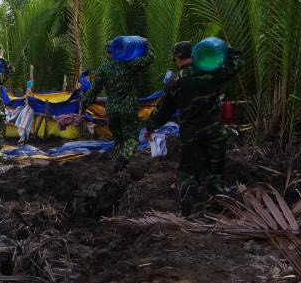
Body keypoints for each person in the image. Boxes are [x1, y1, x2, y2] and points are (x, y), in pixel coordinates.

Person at [145, 41, 243, 215]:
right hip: (215, 131)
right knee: (215, 168)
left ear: (177, 58)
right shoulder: (211, 71)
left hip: (191, 134)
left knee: (187, 169)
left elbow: (163, 112)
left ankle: (189, 187)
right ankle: (217, 195)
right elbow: (237, 63)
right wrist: (226, 47)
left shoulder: (175, 81)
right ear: (195, 53)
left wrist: (150, 126)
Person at [83, 40, 156, 171]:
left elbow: (92, 91)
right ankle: (123, 158)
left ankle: (119, 169)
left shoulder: (103, 69)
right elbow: (150, 58)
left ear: (106, 53)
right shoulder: (129, 63)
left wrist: (83, 107)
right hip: (128, 109)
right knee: (132, 138)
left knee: (117, 139)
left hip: (112, 110)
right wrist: (147, 44)